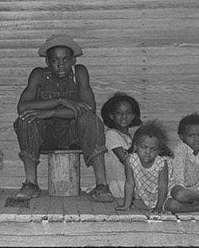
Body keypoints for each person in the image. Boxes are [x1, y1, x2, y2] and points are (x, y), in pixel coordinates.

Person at [10, 34, 112, 203]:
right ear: (47, 62)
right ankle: (30, 184)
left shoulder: (79, 73)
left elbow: (89, 108)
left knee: (91, 120)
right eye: (55, 60)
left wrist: (52, 112)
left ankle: (101, 185)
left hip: (74, 136)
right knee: (25, 120)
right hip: (46, 137)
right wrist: (60, 101)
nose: (61, 65)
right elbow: (22, 107)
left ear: (73, 60)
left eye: (65, 59)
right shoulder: (38, 75)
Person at [100, 91, 143, 200]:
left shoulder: (129, 136)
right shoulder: (111, 134)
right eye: (119, 113)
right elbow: (125, 160)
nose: (124, 116)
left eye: (128, 113)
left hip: (131, 182)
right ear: (111, 116)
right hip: (120, 184)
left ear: (133, 116)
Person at [122, 121, 172, 213]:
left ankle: (198, 204)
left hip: (167, 196)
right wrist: (126, 205)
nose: (148, 152)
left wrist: (159, 207)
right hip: (149, 200)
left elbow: (163, 186)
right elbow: (129, 183)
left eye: (153, 149)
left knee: (175, 204)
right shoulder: (130, 160)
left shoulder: (161, 163)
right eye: (143, 147)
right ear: (135, 146)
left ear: (159, 150)